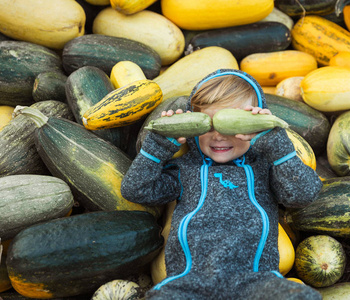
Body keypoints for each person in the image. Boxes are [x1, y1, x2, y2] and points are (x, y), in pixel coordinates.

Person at [121, 69, 323, 300]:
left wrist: (275, 145)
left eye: (231, 124)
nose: (218, 136)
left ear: (254, 125)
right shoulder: (186, 169)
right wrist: (157, 146)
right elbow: (135, 189)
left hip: (256, 280)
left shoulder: (266, 167)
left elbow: (304, 193)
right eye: (208, 125)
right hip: (188, 282)